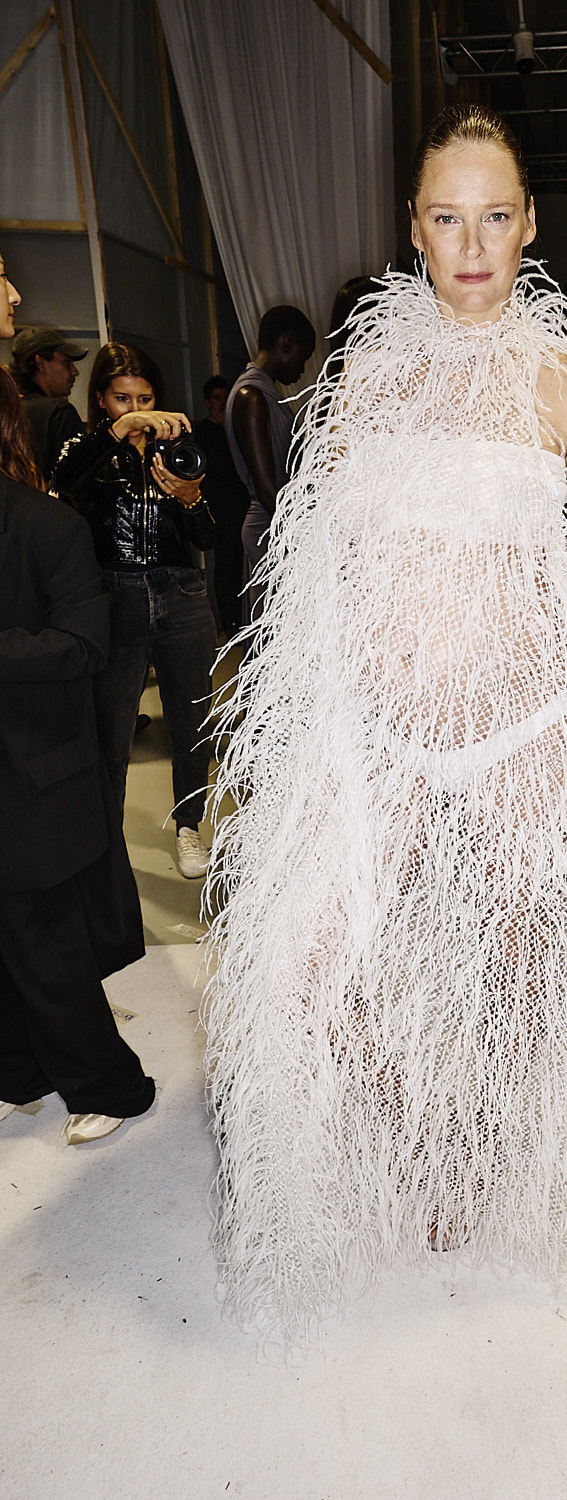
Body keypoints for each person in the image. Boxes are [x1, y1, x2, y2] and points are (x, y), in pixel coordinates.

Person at [205, 103, 567, 1339]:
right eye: (445, 218)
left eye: (494, 217)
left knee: (519, 971)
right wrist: (315, 714)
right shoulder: (365, 375)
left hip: (526, 739)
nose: (471, 244)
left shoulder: (559, 381)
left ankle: (485, 1162)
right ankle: (406, 1135)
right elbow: (319, 567)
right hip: (379, 745)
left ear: (528, 227)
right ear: (413, 230)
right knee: (340, 966)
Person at [0, 256, 154, 1145]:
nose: (18, 294)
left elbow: (85, 647)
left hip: (38, 778)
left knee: (44, 943)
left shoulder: (47, 526)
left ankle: (110, 1085)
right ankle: (19, 1072)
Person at [51, 343, 218, 880]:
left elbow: (207, 538)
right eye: (122, 398)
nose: (136, 408)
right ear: (100, 399)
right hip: (114, 591)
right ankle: (107, 841)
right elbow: (63, 487)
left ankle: (189, 826)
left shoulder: (177, 447)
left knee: (192, 719)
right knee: (111, 727)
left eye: (145, 398)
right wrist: (120, 434)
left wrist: (191, 497)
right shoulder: (87, 446)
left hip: (182, 590)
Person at [225, 305, 315, 622]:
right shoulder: (251, 395)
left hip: (277, 522)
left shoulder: (267, 392)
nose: (302, 369)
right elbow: (266, 488)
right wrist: (299, 538)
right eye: (303, 358)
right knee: (275, 631)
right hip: (269, 525)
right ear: (286, 343)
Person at [194, 376, 249, 635]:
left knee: (239, 563)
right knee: (225, 566)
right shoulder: (205, 432)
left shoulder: (235, 429)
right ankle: (229, 622)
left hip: (240, 506)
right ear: (208, 402)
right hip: (220, 510)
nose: (222, 402)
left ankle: (240, 618)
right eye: (217, 398)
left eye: (226, 397)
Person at [10, 324, 87, 482]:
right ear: (41, 363)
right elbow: (76, 481)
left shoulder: (9, 409)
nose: (74, 371)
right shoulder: (59, 412)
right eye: (66, 363)